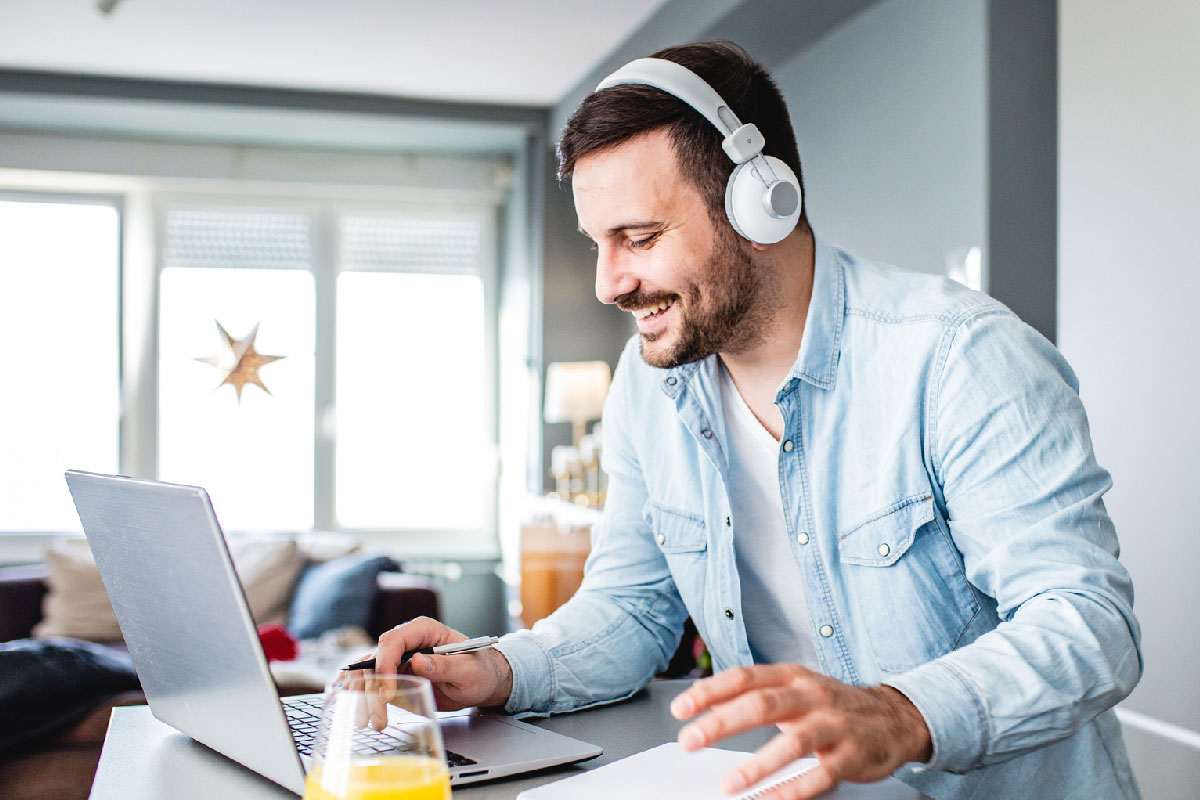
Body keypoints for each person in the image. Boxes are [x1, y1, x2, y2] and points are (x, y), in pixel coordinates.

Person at [371, 41, 1142, 799]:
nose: (609, 283)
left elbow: (1087, 623)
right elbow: (633, 609)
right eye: (598, 244)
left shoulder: (957, 358)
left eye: (639, 237)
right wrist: (497, 669)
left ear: (760, 206)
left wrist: (901, 715)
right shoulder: (649, 386)